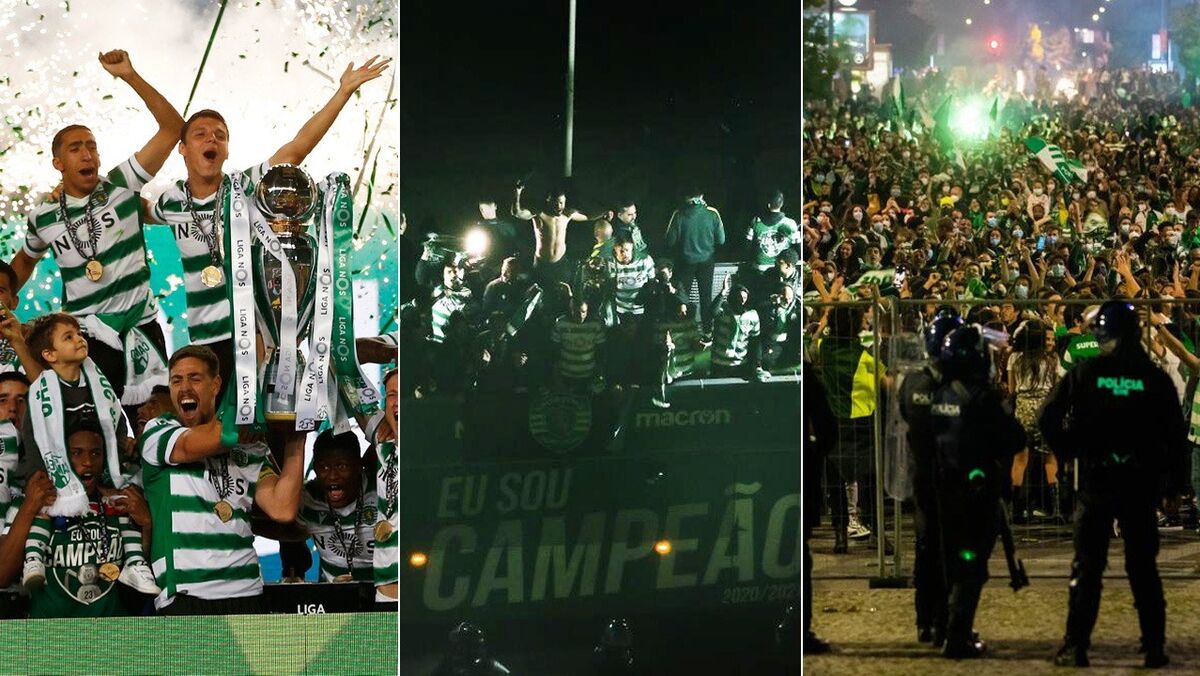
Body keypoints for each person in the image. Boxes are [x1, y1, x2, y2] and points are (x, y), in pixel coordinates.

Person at [147, 56, 391, 387]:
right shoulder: (171, 200)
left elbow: (297, 149)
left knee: (266, 426)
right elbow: (131, 207)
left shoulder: (245, 187)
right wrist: (65, 194)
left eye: (220, 135)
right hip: (203, 342)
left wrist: (343, 92)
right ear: (183, 149)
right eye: (201, 134)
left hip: (254, 334)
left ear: (228, 150)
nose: (212, 140)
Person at [12, 50, 183, 402]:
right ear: (59, 162)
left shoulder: (121, 186)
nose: (87, 153)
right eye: (76, 148)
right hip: (85, 335)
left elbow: (172, 129)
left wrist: (130, 76)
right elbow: (25, 261)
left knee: (156, 416)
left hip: (142, 326)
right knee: (94, 428)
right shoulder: (43, 214)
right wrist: (5, 297)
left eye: (92, 146)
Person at [1039, 301, 1186, 668]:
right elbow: (1174, 435)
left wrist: (1069, 448)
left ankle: (1076, 646)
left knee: (1087, 567)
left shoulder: (1088, 372)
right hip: (1141, 481)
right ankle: (1154, 645)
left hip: (1098, 478)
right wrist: (1173, 486)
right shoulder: (1154, 378)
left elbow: (1048, 416)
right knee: (1143, 569)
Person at [138, 345, 305, 614]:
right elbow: (195, 445)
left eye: (195, 378)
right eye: (176, 380)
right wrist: (246, 417)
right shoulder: (159, 431)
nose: (184, 387)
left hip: (248, 591)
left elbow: (282, 508)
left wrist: (298, 436)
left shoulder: (247, 446)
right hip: (188, 595)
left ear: (215, 385)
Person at [931, 324, 1026, 659]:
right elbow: (1015, 437)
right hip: (978, 491)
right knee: (972, 565)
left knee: (952, 561)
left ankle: (945, 628)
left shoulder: (940, 394)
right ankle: (958, 637)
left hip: (945, 489)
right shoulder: (984, 397)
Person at [18, 420, 158, 617]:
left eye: (96, 453)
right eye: (77, 453)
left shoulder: (118, 503)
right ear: (62, 457)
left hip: (112, 633)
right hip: (49, 634)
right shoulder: (40, 503)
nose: (88, 462)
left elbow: (140, 568)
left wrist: (147, 526)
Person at [898, 307, 962, 647]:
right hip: (953, 477)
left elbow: (905, 412)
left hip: (923, 474)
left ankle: (926, 621)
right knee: (952, 551)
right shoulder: (960, 386)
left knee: (925, 550)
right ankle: (948, 620)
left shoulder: (912, 382)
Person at [290, 430, 377, 583]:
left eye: (341, 466)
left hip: (383, 593)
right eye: (323, 467)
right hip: (333, 598)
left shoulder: (381, 492)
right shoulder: (307, 498)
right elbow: (284, 530)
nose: (332, 476)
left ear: (358, 465)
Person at [1007, 319, 1062, 523]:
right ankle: (1055, 509)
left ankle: (1016, 509)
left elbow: (1012, 389)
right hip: (1044, 407)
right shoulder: (1051, 360)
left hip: (1023, 407)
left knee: (1020, 458)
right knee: (1050, 457)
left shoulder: (1015, 358)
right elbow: (1056, 387)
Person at [803, 350, 836, 655]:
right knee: (801, 558)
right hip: (800, 479)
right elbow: (827, 426)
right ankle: (802, 632)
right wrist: (813, 458)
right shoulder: (805, 375)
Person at [512, 185, 608, 287]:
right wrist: (517, 193)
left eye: (561, 203)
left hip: (560, 263)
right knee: (539, 293)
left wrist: (605, 211)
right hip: (542, 263)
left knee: (564, 294)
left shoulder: (567, 214)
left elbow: (589, 216)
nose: (559, 206)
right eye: (556, 203)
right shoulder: (539, 214)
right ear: (549, 201)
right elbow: (517, 213)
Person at [665, 188, 726, 331]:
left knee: (682, 298)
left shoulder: (678, 214)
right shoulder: (712, 213)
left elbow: (670, 241)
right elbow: (721, 240)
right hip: (707, 262)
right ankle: (707, 331)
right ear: (702, 195)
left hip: (685, 263)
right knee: (706, 298)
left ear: (685, 196)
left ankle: (682, 330)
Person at [373, 368, 398, 608]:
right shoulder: (382, 446)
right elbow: (350, 390)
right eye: (391, 394)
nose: (397, 401)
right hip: (385, 594)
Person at [746, 190, 801, 272]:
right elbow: (798, 249)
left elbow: (747, 245)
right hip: (782, 269)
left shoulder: (755, 221)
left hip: (759, 268)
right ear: (782, 204)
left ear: (768, 205)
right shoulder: (791, 223)